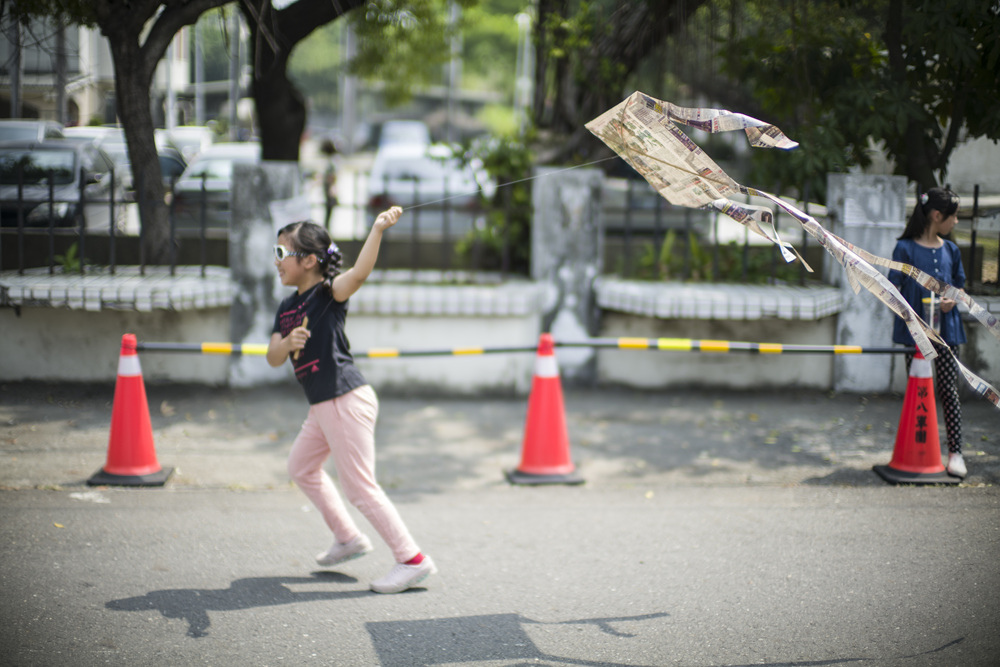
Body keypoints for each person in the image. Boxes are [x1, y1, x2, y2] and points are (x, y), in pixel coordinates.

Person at [266, 207, 437, 594]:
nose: (275, 262)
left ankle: (412, 559)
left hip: (343, 398)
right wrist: (287, 342)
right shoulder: (287, 308)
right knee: (301, 467)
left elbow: (359, 274)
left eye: (281, 254)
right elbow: (273, 355)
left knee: (360, 487)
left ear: (308, 260)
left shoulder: (328, 294)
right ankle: (348, 538)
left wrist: (377, 229)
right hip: (324, 406)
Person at [888, 187, 967, 478]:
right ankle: (918, 450)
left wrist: (952, 299)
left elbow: (959, 285)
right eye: (953, 216)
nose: (955, 222)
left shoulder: (951, 251)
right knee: (919, 390)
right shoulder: (904, 249)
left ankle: (955, 453)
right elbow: (891, 288)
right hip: (915, 334)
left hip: (947, 332)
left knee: (948, 390)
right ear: (937, 215)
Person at [319, 138, 338, 228]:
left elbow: (331, 176)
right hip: (328, 188)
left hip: (328, 188)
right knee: (328, 212)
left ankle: (326, 230)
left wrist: (332, 188)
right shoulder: (333, 160)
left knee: (328, 211)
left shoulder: (331, 161)